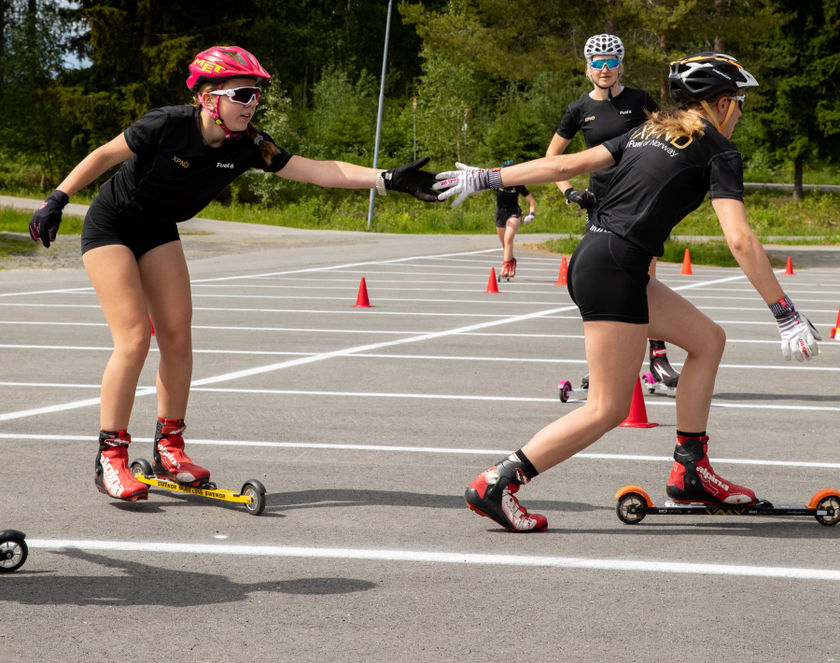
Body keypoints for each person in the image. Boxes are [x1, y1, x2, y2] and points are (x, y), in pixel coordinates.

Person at [28, 45, 439, 503]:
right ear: (209, 98)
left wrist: (385, 179)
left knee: (178, 336)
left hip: (157, 230)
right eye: (242, 94)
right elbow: (105, 155)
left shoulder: (250, 145)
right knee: (134, 339)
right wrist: (57, 199)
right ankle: (111, 458)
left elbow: (320, 171)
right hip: (112, 225)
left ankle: (169, 448)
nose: (251, 104)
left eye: (256, 96)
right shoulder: (166, 124)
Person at [434, 52, 821, 532]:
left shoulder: (648, 131)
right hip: (616, 268)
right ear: (721, 104)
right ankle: (496, 483)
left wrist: (489, 177)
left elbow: (567, 164)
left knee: (708, 340)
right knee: (609, 408)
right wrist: (783, 312)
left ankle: (691, 471)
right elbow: (739, 239)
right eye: (740, 103)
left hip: (601, 259)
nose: (741, 112)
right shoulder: (719, 150)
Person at [547, 34, 678, 390]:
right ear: (588, 67)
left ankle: (658, 356)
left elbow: (670, 136)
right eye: (597, 63)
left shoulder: (639, 100)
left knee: (644, 279)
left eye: (610, 62)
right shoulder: (578, 109)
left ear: (621, 65)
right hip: (601, 205)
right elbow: (553, 159)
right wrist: (570, 192)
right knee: (605, 284)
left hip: (641, 201)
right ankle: (604, 360)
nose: (604, 69)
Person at [494, 160, 537, 279]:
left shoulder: (518, 184)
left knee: (508, 240)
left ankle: (505, 266)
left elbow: (532, 202)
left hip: (514, 213)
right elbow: (481, 184)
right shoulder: (498, 183)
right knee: (505, 245)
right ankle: (512, 261)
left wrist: (531, 214)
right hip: (500, 214)